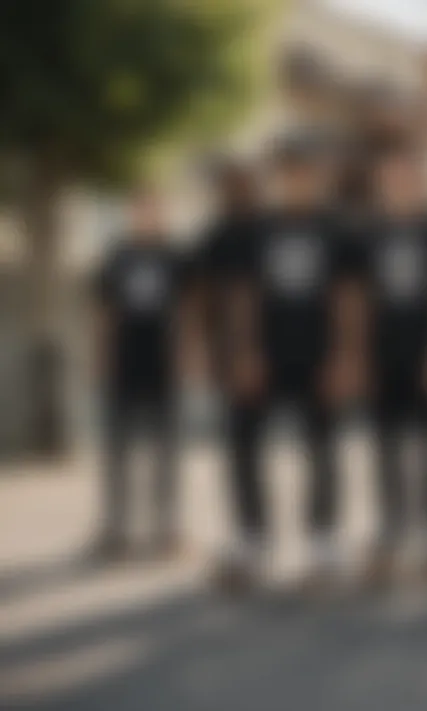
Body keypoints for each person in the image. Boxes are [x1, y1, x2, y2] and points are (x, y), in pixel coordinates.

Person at [217, 131, 363, 589]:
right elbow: (243, 295)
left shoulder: (337, 228)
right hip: (264, 357)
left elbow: (349, 297)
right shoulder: (254, 228)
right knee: (243, 442)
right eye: (286, 170)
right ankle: (251, 539)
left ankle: (323, 541)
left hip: (318, 356)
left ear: (317, 175)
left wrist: (345, 355)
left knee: (322, 448)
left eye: (303, 170)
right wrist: (245, 351)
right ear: (276, 176)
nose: (295, 178)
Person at [354, 136, 427, 585]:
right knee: (387, 448)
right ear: (381, 181)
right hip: (383, 355)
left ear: (422, 180)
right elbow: (355, 301)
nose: (401, 182)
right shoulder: (368, 234)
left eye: (409, 174)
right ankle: (393, 532)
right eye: (392, 175)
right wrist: (356, 355)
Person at [94, 188, 189, 561]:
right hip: (124, 362)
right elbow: (105, 311)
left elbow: (188, 307)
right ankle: (116, 528)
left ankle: (167, 529)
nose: (146, 214)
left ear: (162, 211)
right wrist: (101, 357)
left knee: (166, 450)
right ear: (131, 212)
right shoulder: (117, 257)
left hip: (163, 364)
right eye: (139, 207)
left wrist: (187, 352)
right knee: (118, 451)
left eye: (153, 207)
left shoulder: (175, 257)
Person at [188, 159, 262, 588]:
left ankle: (304, 542)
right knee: (241, 450)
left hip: (271, 356)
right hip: (232, 360)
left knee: (311, 445)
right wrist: (200, 347)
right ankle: (249, 540)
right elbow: (200, 293)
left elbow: (245, 297)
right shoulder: (216, 234)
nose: (235, 189)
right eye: (228, 182)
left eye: (242, 181)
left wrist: (248, 351)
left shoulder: (266, 229)